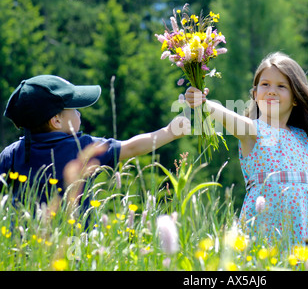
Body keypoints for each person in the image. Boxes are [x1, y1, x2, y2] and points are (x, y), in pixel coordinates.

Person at [185, 52, 308, 255]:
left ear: (296, 98)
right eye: (265, 84)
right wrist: (204, 103)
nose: (271, 91)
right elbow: (227, 116)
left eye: (281, 86)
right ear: (255, 93)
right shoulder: (252, 131)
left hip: (304, 228)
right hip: (264, 225)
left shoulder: (302, 137)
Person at [0, 75, 189, 213]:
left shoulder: (12, 154)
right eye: (73, 109)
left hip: (27, 252)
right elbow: (132, 147)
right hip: (75, 250)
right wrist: (170, 132)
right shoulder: (82, 148)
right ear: (56, 120)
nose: (79, 113)